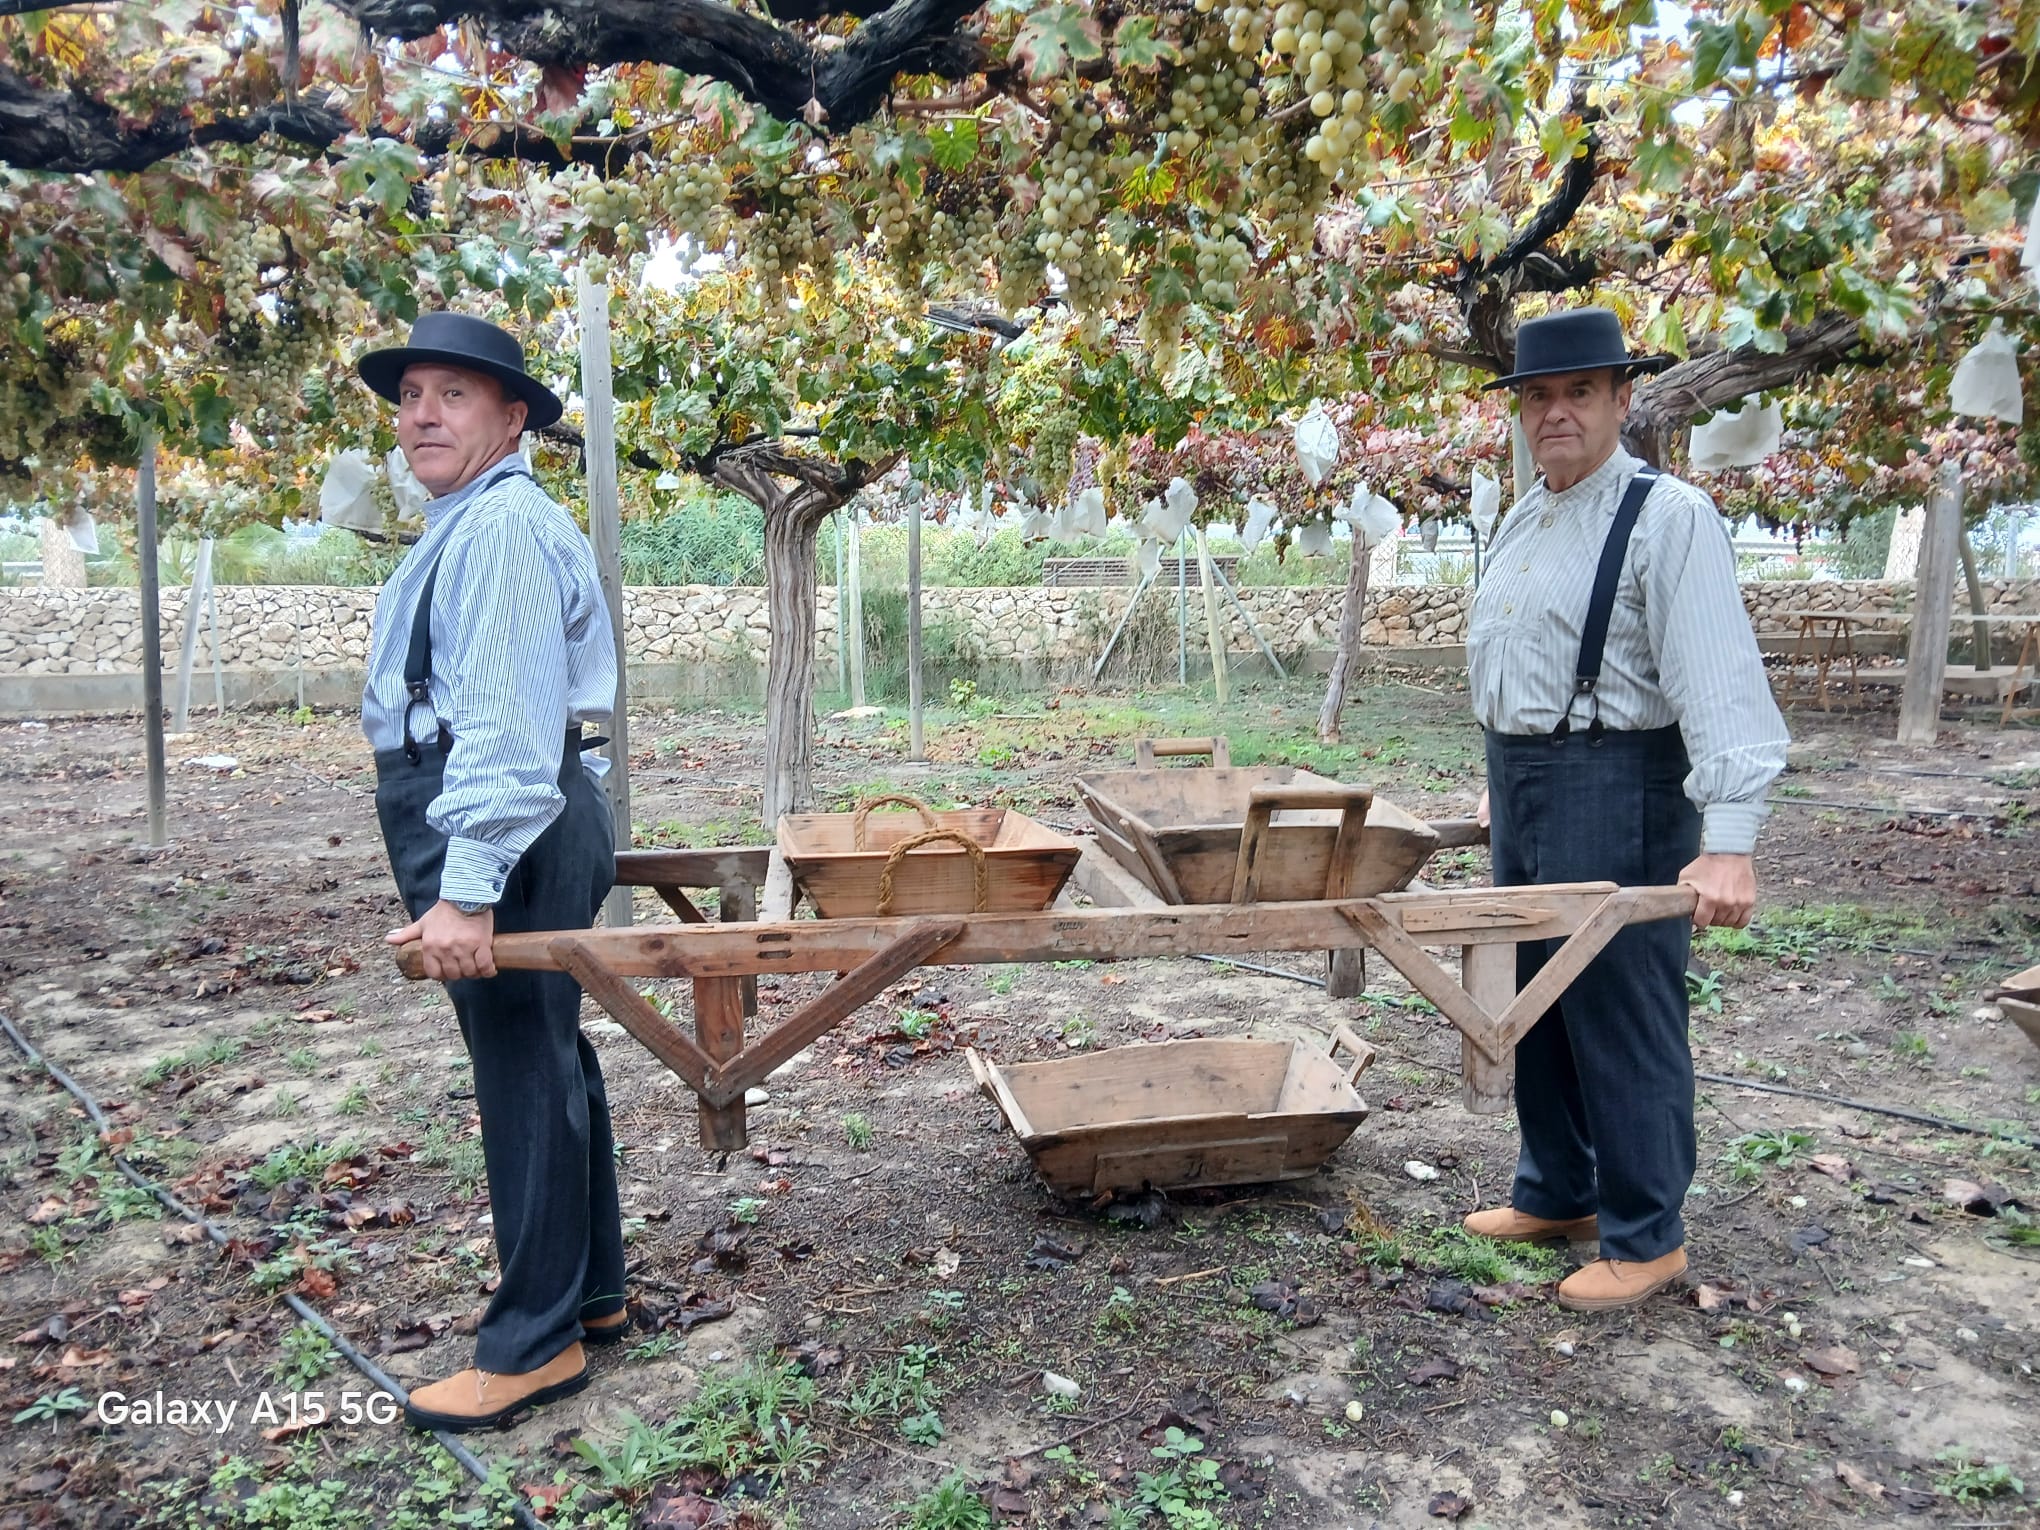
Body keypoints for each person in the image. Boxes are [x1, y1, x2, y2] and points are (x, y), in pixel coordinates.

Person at [1463, 308, 1789, 1312]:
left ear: (1620, 400)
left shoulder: (1666, 515)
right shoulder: (1526, 513)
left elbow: (1720, 681)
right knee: (1538, 992)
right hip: (1531, 779)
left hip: (1621, 785)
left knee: (1624, 1003)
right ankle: (1559, 1190)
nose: (1554, 413)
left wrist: (1728, 841)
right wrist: (1509, 775)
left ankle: (1646, 1236)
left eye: (1577, 393)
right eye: (1537, 396)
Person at [356, 312, 629, 1429]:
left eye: (453, 395)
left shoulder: (502, 528)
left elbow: (513, 734)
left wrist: (467, 887)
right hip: (495, 811)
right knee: (544, 1049)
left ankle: (533, 1345)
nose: (423, 413)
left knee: (521, 1062)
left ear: (511, 419)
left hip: (498, 820)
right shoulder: (466, 522)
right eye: (412, 393)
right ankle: (592, 1293)